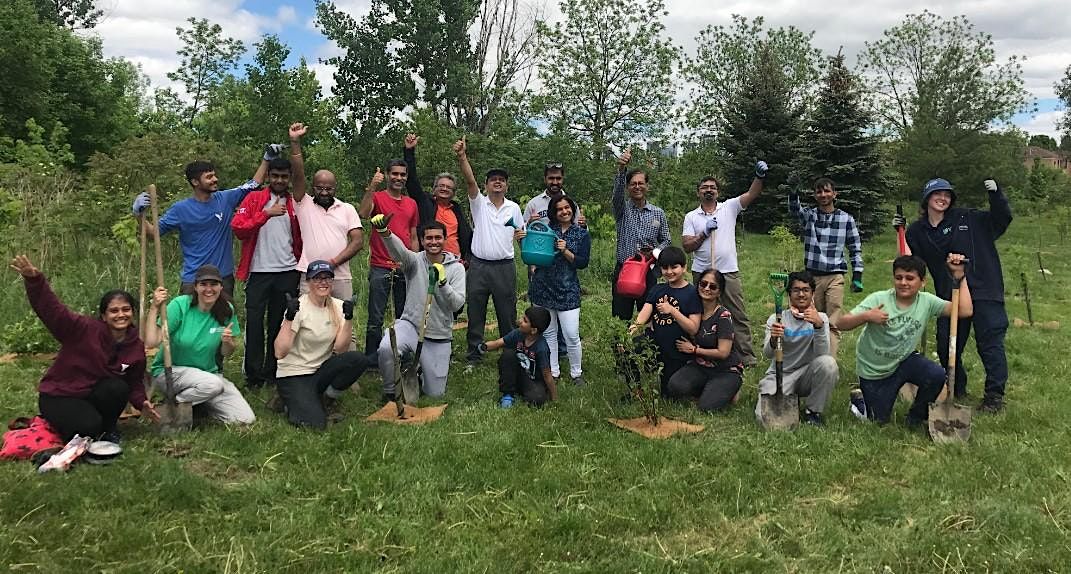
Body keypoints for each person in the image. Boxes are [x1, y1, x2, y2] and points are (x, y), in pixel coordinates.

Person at [10, 255, 158, 442]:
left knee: (117, 388)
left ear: (132, 313)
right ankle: (58, 424)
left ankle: (108, 429)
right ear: (103, 316)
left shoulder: (135, 346)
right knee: (87, 427)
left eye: (126, 309)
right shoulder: (83, 329)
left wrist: (142, 402)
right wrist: (35, 281)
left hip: (90, 394)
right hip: (60, 395)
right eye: (114, 311)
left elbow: (134, 382)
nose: (121, 315)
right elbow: (53, 311)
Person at [900, 178, 1012, 412]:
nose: (943, 198)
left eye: (947, 195)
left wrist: (996, 196)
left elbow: (1002, 219)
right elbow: (911, 262)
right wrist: (899, 234)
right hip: (949, 294)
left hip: (984, 289)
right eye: (937, 194)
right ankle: (956, 385)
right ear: (927, 199)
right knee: (946, 345)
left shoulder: (969, 218)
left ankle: (994, 396)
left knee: (990, 343)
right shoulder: (918, 231)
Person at [837, 254, 972, 428]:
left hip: (904, 361)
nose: (903, 283)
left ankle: (915, 417)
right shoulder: (879, 299)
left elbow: (965, 310)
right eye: (899, 278)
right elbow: (841, 323)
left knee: (936, 375)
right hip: (875, 371)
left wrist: (960, 276)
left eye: (910, 278)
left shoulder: (927, 301)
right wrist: (867, 316)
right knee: (878, 421)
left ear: (922, 282)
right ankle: (859, 401)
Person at [131, 153, 271, 294]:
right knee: (189, 317)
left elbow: (254, 184)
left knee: (223, 316)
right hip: (194, 280)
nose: (215, 179)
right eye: (209, 177)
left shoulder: (226, 198)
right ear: (195, 182)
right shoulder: (180, 209)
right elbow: (152, 234)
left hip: (222, 278)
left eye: (214, 175)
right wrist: (139, 215)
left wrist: (266, 159)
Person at [680, 162, 768, 366]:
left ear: (717, 192)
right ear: (698, 193)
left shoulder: (729, 207)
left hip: (728, 272)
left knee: (737, 314)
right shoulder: (691, 217)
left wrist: (759, 177)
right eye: (704, 187)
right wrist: (704, 233)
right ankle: (700, 353)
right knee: (700, 315)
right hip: (702, 273)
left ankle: (745, 356)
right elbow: (686, 246)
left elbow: (752, 194)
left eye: (712, 187)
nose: (708, 190)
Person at [143, 265, 255, 425]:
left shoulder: (225, 310)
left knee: (245, 418)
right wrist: (154, 307)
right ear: (195, 287)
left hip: (207, 375)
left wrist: (228, 342)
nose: (208, 289)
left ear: (221, 287)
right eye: (203, 284)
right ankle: (172, 406)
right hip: (170, 372)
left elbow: (226, 352)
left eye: (213, 284)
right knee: (212, 384)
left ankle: (198, 406)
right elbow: (152, 341)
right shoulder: (180, 305)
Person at [370, 217, 466, 401]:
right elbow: (399, 252)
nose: (433, 242)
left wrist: (443, 282)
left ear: (445, 240)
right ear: (422, 241)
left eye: (438, 238)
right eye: (429, 238)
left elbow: (457, 304)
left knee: (435, 394)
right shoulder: (414, 262)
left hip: (438, 335)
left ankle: (420, 371)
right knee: (386, 348)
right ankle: (391, 390)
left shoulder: (457, 269)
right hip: (411, 326)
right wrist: (386, 233)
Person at [231, 148, 303, 389]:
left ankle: (273, 371)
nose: (280, 181)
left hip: (287, 271)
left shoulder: (295, 203)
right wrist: (265, 214)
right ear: (269, 176)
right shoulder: (254, 199)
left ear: (289, 178)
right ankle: (253, 375)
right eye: (275, 176)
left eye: (284, 177)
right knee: (254, 323)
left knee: (278, 323)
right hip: (259, 271)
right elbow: (239, 228)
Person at [273, 261, 369, 429]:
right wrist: (289, 318)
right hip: (294, 373)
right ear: (308, 282)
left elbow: (340, 349)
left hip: (320, 370)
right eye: (317, 279)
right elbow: (279, 352)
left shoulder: (338, 306)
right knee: (315, 424)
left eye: (327, 278)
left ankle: (326, 399)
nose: (323, 283)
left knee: (358, 359)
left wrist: (348, 319)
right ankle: (288, 401)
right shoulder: (299, 307)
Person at [455, 137, 525, 362]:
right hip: (479, 267)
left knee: (507, 313)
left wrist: (530, 257)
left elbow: (520, 235)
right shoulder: (479, 203)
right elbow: (469, 182)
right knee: (476, 312)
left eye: (502, 180)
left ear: (507, 185)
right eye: (493, 179)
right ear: (486, 185)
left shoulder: (513, 208)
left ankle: (510, 353)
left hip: (504, 267)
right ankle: (474, 355)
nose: (498, 182)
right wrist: (462, 157)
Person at [287, 122, 365, 299]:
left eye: (328, 189)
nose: (323, 192)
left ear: (335, 188)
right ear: (313, 187)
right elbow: (298, 176)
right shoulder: (303, 204)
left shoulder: (347, 209)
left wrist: (332, 263)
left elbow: (358, 241)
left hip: (340, 276)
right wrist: (295, 142)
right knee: (308, 322)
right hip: (310, 275)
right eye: (319, 188)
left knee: (342, 321)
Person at [786, 178, 863, 356]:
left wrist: (857, 275)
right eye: (819, 192)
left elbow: (855, 247)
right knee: (812, 318)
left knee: (832, 321)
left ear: (834, 194)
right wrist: (793, 192)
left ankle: (829, 363)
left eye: (827, 191)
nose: (823, 195)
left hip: (835, 275)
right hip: (812, 277)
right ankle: (811, 360)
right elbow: (794, 212)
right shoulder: (810, 216)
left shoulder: (846, 219)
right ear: (814, 195)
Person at [358, 147, 420, 366]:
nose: (399, 178)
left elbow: (412, 235)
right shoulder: (377, 197)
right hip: (380, 266)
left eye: (403, 175)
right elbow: (364, 214)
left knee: (403, 317)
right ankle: (371, 360)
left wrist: (415, 262)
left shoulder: (411, 203)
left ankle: (400, 356)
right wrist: (371, 186)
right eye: (395, 174)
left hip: (404, 266)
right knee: (375, 318)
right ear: (387, 174)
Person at [754, 271, 838, 426]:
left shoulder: (821, 319)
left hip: (807, 374)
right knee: (762, 418)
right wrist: (773, 339)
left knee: (829, 364)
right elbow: (767, 354)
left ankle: (813, 412)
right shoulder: (777, 319)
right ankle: (789, 399)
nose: (801, 294)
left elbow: (822, 355)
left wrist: (818, 327)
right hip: (780, 375)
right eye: (796, 290)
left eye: (806, 290)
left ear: (812, 293)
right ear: (789, 294)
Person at [527, 195, 591, 386]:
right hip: (543, 288)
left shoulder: (581, 234)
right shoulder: (547, 231)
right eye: (559, 209)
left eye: (567, 208)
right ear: (554, 213)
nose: (564, 212)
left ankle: (576, 373)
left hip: (568, 290)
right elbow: (533, 253)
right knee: (549, 333)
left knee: (571, 334)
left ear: (572, 210)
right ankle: (553, 371)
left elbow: (582, 263)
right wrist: (523, 241)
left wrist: (565, 251)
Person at [664, 269, 743, 412]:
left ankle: (730, 390)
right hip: (700, 366)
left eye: (713, 286)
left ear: (719, 292)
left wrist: (695, 350)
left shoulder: (723, 316)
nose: (707, 288)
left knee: (706, 407)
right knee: (674, 387)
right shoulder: (693, 311)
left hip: (725, 369)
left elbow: (723, 352)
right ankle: (709, 388)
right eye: (703, 284)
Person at [627, 246, 702, 391]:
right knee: (630, 349)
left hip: (677, 349)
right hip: (655, 343)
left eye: (674, 267)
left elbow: (693, 328)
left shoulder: (692, 293)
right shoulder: (657, 289)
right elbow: (644, 313)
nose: (669, 272)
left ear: (684, 267)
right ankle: (635, 390)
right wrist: (631, 331)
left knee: (670, 392)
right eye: (664, 268)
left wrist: (672, 311)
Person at [611, 148, 670, 321]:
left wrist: (654, 252)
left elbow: (666, 239)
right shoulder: (622, 209)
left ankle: (645, 346)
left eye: (641, 183)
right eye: (633, 183)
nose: (637, 186)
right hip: (625, 268)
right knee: (621, 316)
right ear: (628, 187)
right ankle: (620, 347)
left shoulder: (657, 213)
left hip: (648, 271)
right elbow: (616, 196)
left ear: (647, 186)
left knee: (649, 315)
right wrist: (621, 170)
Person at [403, 133, 470, 262]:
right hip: (430, 260)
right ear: (434, 188)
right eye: (441, 186)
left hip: (455, 261)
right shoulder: (426, 203)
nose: (444, 189)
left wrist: (467, 258)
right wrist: (409, 151)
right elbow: (412, 181)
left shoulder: (456, 209)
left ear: (453, 192)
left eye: (449, 187)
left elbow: (465, 234)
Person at [477, 306, 558, 408]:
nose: (520, 321)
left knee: (537, 399)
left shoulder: (541, 348)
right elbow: (499, 342)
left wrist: (554, 398)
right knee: (508, 354)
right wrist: (484, 347)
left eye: (525, 321)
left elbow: (547, 375)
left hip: (532, 381)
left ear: (533, 330)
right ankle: (508, 394)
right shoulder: (518, 333)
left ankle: (523, 392)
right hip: (517, 374)